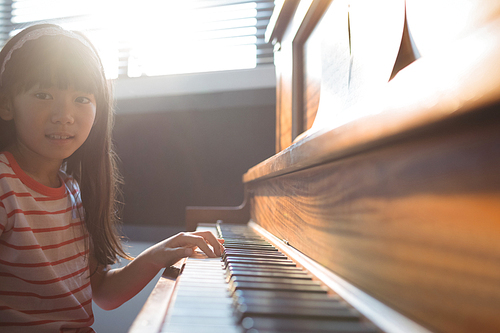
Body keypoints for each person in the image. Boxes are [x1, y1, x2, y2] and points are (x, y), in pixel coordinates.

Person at [0, 24, 224, 332]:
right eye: (43, 94)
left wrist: (156, 256)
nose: (64, 114)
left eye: (81, 98)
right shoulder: (5, 185)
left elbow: (102, 291)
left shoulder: (73, 191)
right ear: (6, 103)